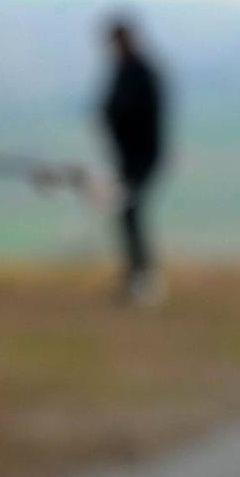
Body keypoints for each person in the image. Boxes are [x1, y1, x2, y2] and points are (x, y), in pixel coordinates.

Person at [100, 17, 167, 304]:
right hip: (129, 157)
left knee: (131, 212)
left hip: (141, 157)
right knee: (129, 214)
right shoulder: (126, 71)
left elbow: (136, 116)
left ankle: (142, 279)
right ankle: (137, 276)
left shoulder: (140, 73)